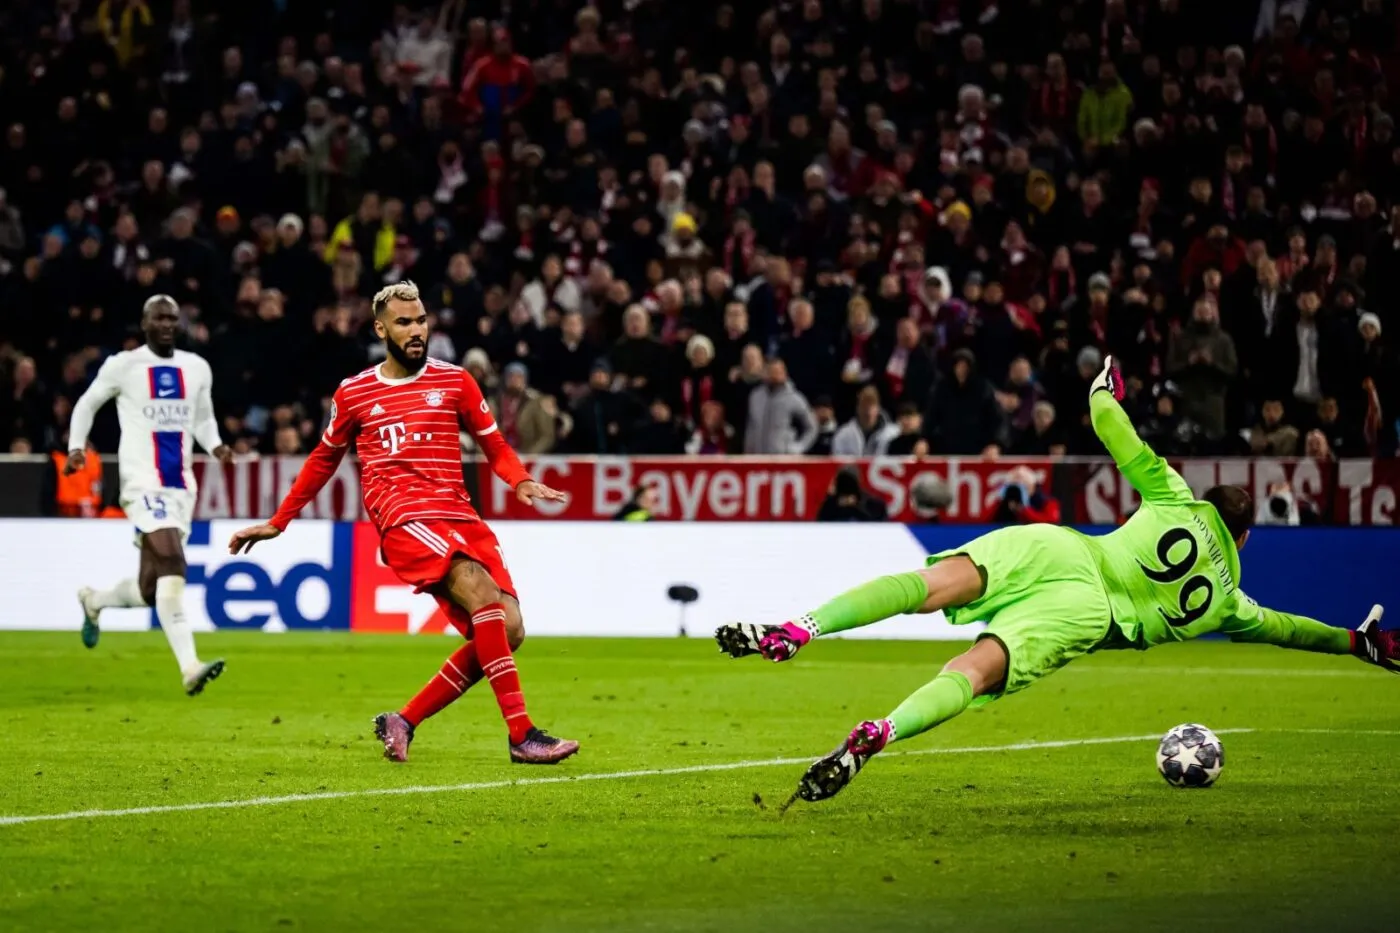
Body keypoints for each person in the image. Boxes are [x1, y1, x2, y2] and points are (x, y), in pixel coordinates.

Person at [716, 356, 1397, 804]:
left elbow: (1106, 420)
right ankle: (883, 730)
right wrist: (1356, 642)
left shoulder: (1173, 494)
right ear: (1243, 538)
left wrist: (1105, 384)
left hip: (1058, 548)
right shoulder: (1228, 602)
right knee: (971, 669)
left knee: (929, 583)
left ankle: (801, 627)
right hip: (1087, 613)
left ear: (1206, 502)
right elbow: (1290, 629)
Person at [227, 282, 578, 765]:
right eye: (404, 323)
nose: (416, 331)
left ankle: (404, 720)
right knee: (481, 594)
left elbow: (494, 445)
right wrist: (279, 521)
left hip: (460, 515)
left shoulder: (456, 381)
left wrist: (519, 479)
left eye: (421, 321)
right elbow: (323, 460)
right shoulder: (354, 393)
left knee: (509, 628)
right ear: (381, 329)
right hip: (405, 517)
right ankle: (522, 735)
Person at [68, 295, 232, 694]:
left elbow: (202, 419)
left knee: (150, 589)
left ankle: (94, 601)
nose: (167, 324)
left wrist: (216, 446)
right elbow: (87, 404)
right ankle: (190, 666)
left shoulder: (196, 368)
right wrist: (76, 446)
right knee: (173, 559)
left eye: (172, 318)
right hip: (142, 483)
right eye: (159, 318)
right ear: (144, 323)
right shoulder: (124, 366)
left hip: (180, 488)